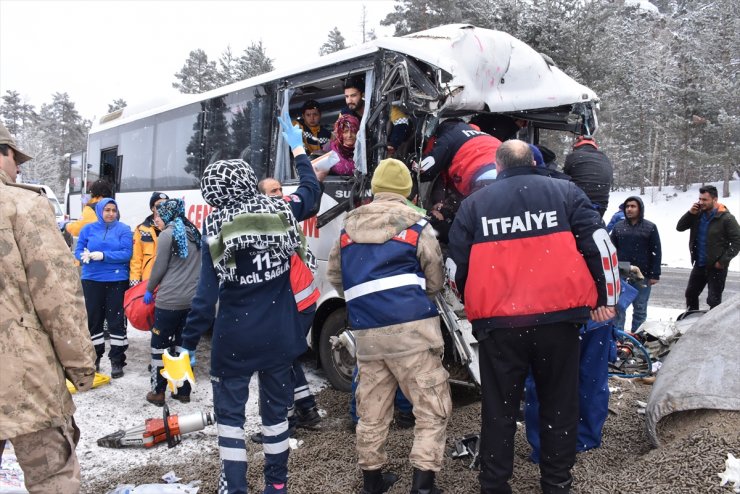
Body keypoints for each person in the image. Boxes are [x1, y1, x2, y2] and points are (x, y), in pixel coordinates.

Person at [448, 140, 619, 494]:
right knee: (559, 405)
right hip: (559, 321)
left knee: (499, 409)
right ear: (534, 162)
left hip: (500, 326)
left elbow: (454, 268)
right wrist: (607, 297)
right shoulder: (566, 193)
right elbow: (601, 247)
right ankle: (556, 483)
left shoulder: (474, 205)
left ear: (498, 166)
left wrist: (475, 302)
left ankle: (494, 485)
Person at [180, 113, 321, 494]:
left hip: (234, 340)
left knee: (230, 420)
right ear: (247, 182)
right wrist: (297, 149)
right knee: (276, 418)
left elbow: (205, 298)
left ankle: (236, 487)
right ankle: (276, 485)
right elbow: (311, 190)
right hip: (279, 338)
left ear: (213, 193)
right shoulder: (280, 212)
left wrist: (185, 347)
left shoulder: (215, 229)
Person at [327, 158, 451, 494]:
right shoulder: (417, 224)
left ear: (376, 189)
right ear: (406, 191)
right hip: (412, 334)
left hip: (368, 336)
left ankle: (372, 482)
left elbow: (337, 278)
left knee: (372, 411)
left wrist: (367, 304)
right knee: (431, 408)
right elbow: (435, 277)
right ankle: (422, 486)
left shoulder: (348, 226)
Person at [1, 122, 97, 493]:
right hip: (21, 376)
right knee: (52, 478)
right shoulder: (23, 206)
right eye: (15, 157)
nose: (19, 169)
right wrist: (81, 367)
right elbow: (58, 300)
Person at [256, 176, 323, 433]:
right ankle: (307, 408)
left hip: (293, 304)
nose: (280, 194)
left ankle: (285, 420)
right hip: (299, 301)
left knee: (276, 362)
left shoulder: (264, 220)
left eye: (281, 189)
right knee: (288, 357)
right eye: (274, 190)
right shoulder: (279, 214)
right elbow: (309, 191)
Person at [143, 198, 202, 406]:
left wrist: (149, 289)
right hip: (191, 301)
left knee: (160, 346)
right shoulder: (194, 232)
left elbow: (159, 267)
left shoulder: (168, 234)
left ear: (167, 214)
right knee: (183, 345)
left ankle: (158, 391)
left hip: (169, 300)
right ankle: (182, 390)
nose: (156, 219)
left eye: (159, 215)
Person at [74, 198, 133, 378]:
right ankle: (95, 357)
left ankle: (117, 359)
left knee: (116, 320)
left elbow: (126, 253)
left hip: (116, 279)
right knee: (94, 320)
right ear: (100, 211)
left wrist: (103, 255)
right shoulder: (88, 229)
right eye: (106, 210)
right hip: (91, 279)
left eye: (113, 210)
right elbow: (79, 249)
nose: (110, 213)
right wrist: (83, 255)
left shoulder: (123, 229)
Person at [676, 185, 740, 310]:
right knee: (690, 294)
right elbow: (680, 227)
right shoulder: (697, 215)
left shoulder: (726, 218)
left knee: (713, 300)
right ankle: (690, 322)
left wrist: (722, 261)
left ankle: (711, 328)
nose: (701, 202)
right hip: (699, 264)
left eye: (705, 200)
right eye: (700, 199)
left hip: (716, 267)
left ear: (715, 200)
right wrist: (690, 213)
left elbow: (737, 241)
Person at [609, 196, 662, 332]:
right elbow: (610, 250)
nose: (629, 209)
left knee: (640, 309)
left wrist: (654, 274)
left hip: (642, 275)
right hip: (621, 274)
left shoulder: (650, 227)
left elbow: (656, 252)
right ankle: (619, 339)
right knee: (619, 308)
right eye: (627, 206)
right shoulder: (618, 227)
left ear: (640, 209)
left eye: (633, 206)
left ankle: (637, 339)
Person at [341, 75, 409, 156]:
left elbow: (402, 121)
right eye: (346, 96)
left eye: (353, 95)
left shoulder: (381, 106)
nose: (349, 100)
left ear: (363, 95)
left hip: (384, 151)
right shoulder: (345, 114)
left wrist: (393, 143)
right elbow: (340, 135)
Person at [562, 136, 613, 217]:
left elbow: (564, 179)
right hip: (600, 205)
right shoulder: (605, 158)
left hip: (579, 203)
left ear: (577, 146)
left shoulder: (573, 156)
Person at [130, 191, 169, 286]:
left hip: (168, 282)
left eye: (166, 204)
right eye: (159, 205)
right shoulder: (141, 229)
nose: (163, 207)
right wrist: (134, 284)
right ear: (152, 208)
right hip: (147, 282)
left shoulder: (175, 228)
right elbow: (136, 259)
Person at [314, 113, 360, 179]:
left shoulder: (363, 150)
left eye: (353, 131)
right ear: (340, 133)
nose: (349, 135)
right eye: (345, 131)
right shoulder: (329, 148)